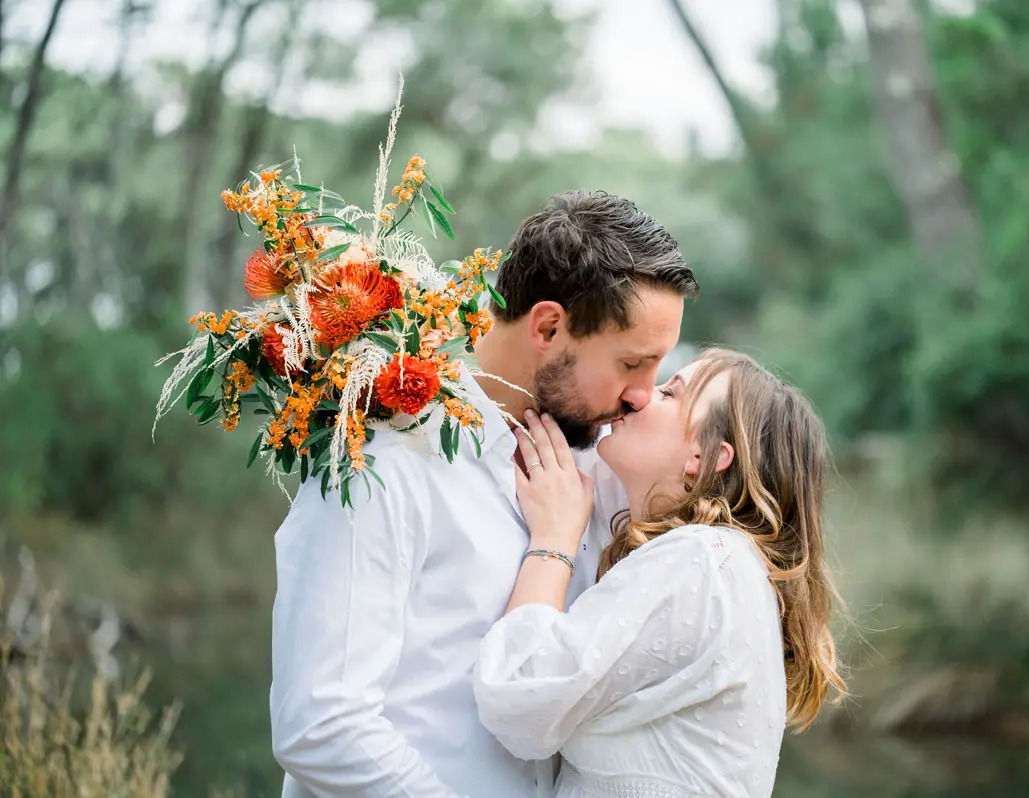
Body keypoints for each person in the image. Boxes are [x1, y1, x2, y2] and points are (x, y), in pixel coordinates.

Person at [270, 190, 699, 798]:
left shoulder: (598, 479)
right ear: (549, 326)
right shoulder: (384, 469)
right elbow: (321, 725)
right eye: (633, 363)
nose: (642, 394)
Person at [473, 348, 847, 797]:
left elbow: (519, 697)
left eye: (670, 393)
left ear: (707, 455)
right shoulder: (727, 564)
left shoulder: (702, 560)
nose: (642, 396)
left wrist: (553, 539)